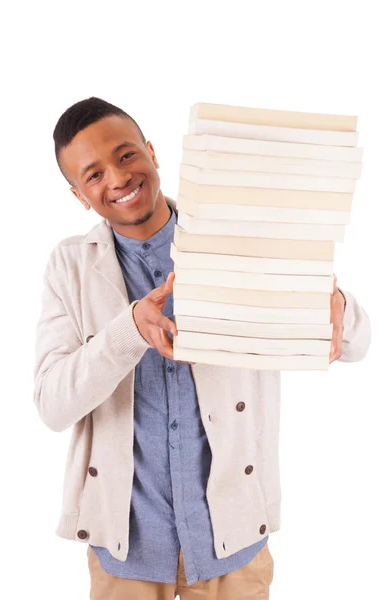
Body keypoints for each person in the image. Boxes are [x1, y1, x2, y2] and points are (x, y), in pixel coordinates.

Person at [33, 97, 371, 600]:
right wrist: (128, 331)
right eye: (94, 175)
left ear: (151, 152)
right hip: (125, 554)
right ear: (80, 195)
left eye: (126, 156)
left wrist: (332, 298)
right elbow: (52, 404)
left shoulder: (233, 237)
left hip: (232, 546)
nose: (118, 179)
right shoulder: (70, 267)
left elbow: (357, 343)